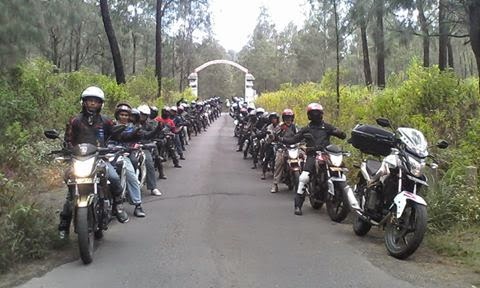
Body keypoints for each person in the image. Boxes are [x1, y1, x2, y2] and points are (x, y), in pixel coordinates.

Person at [58, 86, 129, 239]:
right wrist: (66, 150)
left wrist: (125, 139)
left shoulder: (106, 121)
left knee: (115, 178)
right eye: (89, 101)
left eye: (95, 102)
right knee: (70, 194)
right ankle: (64, 225)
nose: (92, 104)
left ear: (100, 104)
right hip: (78, 160)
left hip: (99, 159)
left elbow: (117, 135)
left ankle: (118, 206)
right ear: (83, 102)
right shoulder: (75, 120)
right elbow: (68, 140)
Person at [280, 103, 346, 215]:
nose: (315, 115)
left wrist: (340, 133)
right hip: (312, 155)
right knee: (303, 178)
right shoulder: (306, 129)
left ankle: (342, 196)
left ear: (321, 114)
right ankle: (298, 205)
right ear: (309, 115)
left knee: (341, 169)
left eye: (317, 113)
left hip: (327, 155)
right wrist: (282, 139)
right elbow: (294, 139)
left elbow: (341, 134)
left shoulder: (327, 127)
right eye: (313, 113)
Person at [113, 103, 147, 217]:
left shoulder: (132, 128)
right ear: (117, 115)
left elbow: (136, 137)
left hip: (124, 155)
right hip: (107, 155)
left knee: (131, 176)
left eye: (126, 115)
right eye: (121, 115)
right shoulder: (111, 125)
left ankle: (138, 205)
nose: (124, 117)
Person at [137, 104, 163, 196]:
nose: (142, 116)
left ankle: (153, 187)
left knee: (149, 163)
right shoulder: (131, 122)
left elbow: (150, 135)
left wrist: (157, 129)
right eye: (141, 114)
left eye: (144, 115)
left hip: (144, 147)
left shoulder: (149, 124)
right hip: (130, 148)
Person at [271, 109, 298, 193]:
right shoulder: (280, 126)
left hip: (294, 148)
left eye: (289, 118)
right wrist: (276, 137)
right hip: (283, 148)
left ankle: (306, 184)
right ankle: (275, 184)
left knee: (304, 158)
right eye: (286, 118)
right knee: (279, 162)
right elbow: (275, 135)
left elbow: (299, 135)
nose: (288, 119)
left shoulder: (294, 127)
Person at [260, 112, 280, 180]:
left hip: (279, 143)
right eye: (272, 118)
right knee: (267, 157)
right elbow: (267, 134)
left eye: (275, 118)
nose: (273, 120)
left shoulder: (281, 126)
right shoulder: (269, 126)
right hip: (270, 143)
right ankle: (263, 172)